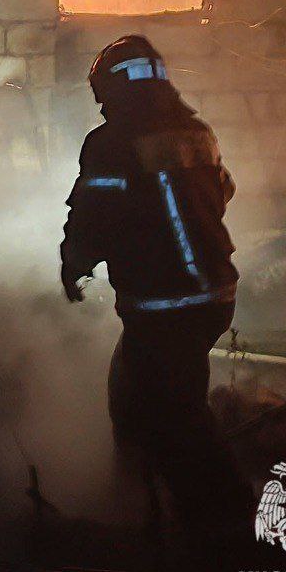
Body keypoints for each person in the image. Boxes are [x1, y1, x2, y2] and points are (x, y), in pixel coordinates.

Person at [60, 35, 250, 540]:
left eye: (102, 95)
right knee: (149, 399)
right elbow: (222, 192)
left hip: (164, 306)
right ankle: (154, 515)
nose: (101, 106)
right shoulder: (198, 134)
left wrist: (74, 263)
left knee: (170, 419)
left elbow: (92, 216)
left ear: (114, 88)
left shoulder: (111, 143)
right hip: (215, 297)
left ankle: (217, 531)